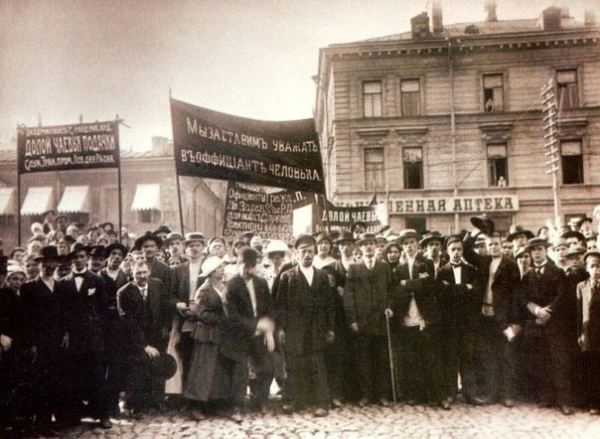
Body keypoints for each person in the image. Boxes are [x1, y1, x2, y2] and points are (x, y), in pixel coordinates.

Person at [276, 234, 335, 417]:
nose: (307, 255)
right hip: (295, 330)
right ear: (296, 253)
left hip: (317, 329)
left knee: (318, 365)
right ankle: (295, 401)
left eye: (310, 251)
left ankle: (322, 403)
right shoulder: (287, 277)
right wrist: (281, 328)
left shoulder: (323, 276)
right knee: (295, 365)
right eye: (303, 251)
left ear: (315, 253)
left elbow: (329, 305)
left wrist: (330, 328)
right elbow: (280, 306)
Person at [56, 243, 112, 429]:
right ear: (71, 260)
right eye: (75, 257)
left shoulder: (97, 280)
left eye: (82, 256)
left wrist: (97, 330)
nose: (79, 260)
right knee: (73, 376)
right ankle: (73, 415)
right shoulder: (63, 282)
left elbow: (103, 309)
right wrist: (65, 332)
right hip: (73, 337)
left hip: (93, 336)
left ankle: (103, 415)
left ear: (87, 258)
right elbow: (61, 311)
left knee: (97, 375)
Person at [517, 237, 575, 415]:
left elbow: (563, 296)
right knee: (541, 361)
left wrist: (548, 311)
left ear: (546, 251)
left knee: (560, 362)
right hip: (537, 324)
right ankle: (547, 397)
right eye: (533, 250)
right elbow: (523, 298)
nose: (536, 253)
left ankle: (565, 401)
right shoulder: (528, 276)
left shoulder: (557, 272)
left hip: (555, 324)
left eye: (540, 249)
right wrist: (536, 311)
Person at [463, 232, 522, 407]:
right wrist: (475, 233)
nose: (493, 247)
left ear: (502, 245)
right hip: (484, 315)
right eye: (490, 244)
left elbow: (515, 295)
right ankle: (491, 393)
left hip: (502, 317)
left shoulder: (510, 265)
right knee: (487, 356)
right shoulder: (483, 261)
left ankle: (507, 395)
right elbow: (466, 250)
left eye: (496, 244)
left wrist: (512, 321)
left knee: (505, 355)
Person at [221, 247, 274, 422]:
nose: (247, 270)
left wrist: (268, 331)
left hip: (259, 333)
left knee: (266, 367)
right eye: (244, 265)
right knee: (239, 371)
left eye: (251, 266)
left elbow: (268, 308)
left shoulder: (261, 283)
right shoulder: (231, 286)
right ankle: (236, 406)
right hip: (238, 335)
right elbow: (232, 317)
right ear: (238, 263)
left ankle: (261, 401)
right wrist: (256, 327)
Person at [393, 229, 444, 408]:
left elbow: (428, 284)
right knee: (412, 358)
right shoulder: (399, 268)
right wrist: (411, 286)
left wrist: (408, 283)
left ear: (417, 244)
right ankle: (415, 394)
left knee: (430, 357)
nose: (409, 246)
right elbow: (397, 290)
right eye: (406, 244)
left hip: (425, 314)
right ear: (402, 246)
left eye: (412, 243)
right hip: (408, 314)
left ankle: (436, 395)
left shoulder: (426, 263)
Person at [344, 232, 395, 407]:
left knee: (381, 359)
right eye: (365, 244)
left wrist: (389, 306)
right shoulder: (354, 268)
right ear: (360, 247)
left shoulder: (384, 267)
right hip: (363, 321)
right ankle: (366, 395)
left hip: (380, 321)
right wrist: (352, 319)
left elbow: (391, 290)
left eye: (371, 243)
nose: (368, 246)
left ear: (375, 246)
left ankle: (382, 395)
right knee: (363, 360)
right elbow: (349, 296)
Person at [20, 246, 67, 435]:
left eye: (53, 262)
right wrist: (31, 344)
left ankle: (48, 422)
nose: (49, 266)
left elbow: (65, 315)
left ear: (57, 264)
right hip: (39, 343)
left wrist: (66, 334)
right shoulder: (29, 287)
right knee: (39, 382)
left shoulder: (60, 286)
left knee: (54, 381)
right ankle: (39, 423)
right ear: (40, 264)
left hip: (57, 342)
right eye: (46, 262)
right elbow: (25, 319)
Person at [117, 261, 171, 418]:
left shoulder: (157, 285)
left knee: (158, 365)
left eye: (144, 272)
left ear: (149, 272)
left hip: (156, 335)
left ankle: (156, 401)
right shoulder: (124, 292)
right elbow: (129, 323)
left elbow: (166, 308)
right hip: (135, 339)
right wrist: (144, 345)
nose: (141, 276)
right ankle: (133, 404)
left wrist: (165, 328)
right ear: (132, 274)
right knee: (137, 368)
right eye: (137, 273)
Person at [437, 235, 482, 406]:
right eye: (453, 249)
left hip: (467, 323)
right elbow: (441, 296)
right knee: (450, 359)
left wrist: (454, 289)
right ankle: (450, 394)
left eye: (459, 249)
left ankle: (470, 394)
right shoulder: (442, 271)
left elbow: (476, 294)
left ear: (463, 251)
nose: (456, 253)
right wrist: (465, 288)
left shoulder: (471, 271)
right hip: (449, 324)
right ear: (447, 252)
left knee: (467, 358)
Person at [183, 256, 229, 419]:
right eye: (218, 268)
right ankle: (195, 406)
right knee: (203, 370)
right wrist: (223, 320)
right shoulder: (204, 290)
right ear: (210, 272)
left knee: (217, 371)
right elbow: (201, 313)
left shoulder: (224, 287)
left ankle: (213, 404)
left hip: (219, 334)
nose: (222, 269)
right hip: (207, 335)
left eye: (222, 267)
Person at [575, 251, 600, 415]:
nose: (597, 270)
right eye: (593, 266)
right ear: (587, 268)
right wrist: (580, 333)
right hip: (588, 333)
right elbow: (579, 312)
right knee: (591, 367)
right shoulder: (581, 286)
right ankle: (593, 402)